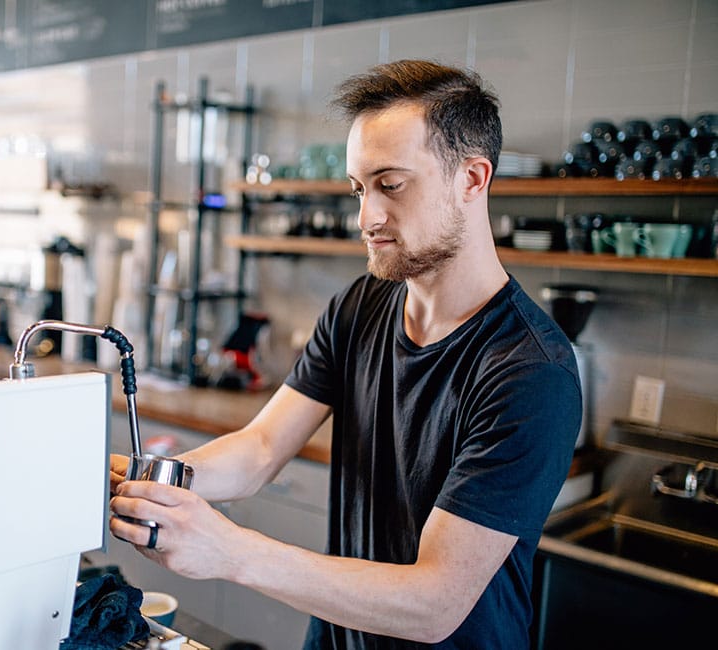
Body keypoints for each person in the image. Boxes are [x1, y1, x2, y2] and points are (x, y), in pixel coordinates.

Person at [109, 59, 581, 649]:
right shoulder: (360, 305)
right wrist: (157, 481)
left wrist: (229, 551)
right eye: (359, 189)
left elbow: (434, 603)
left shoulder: (531, 371)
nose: (366, 218)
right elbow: (261, 448)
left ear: (472, 178)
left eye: (391, 185)